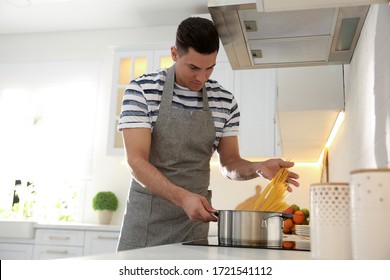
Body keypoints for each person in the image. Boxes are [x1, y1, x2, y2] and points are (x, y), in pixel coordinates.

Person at [116, 17, 299, 251]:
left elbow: (230, 163)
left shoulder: (224, 101)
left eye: (209, 67)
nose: (201, 78)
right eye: (193, 67)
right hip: (146, 224)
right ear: (174, 53)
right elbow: (136, 161)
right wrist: (183, 198)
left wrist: (257, 167)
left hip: (194, 222)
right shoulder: (142, 90)